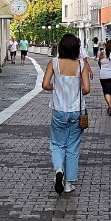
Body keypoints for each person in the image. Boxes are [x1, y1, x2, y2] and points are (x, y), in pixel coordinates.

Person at [42, 33, 91, 195]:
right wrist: (78, 90)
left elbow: (45, 84)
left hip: (58, 110)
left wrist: (56, 88)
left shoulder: (54, 63)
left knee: (57, 143)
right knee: (73, 147)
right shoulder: (81, 65)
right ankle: (69, 184)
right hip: (77, 111)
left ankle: (58, 171)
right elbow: (87, 89)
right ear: (76, 48)